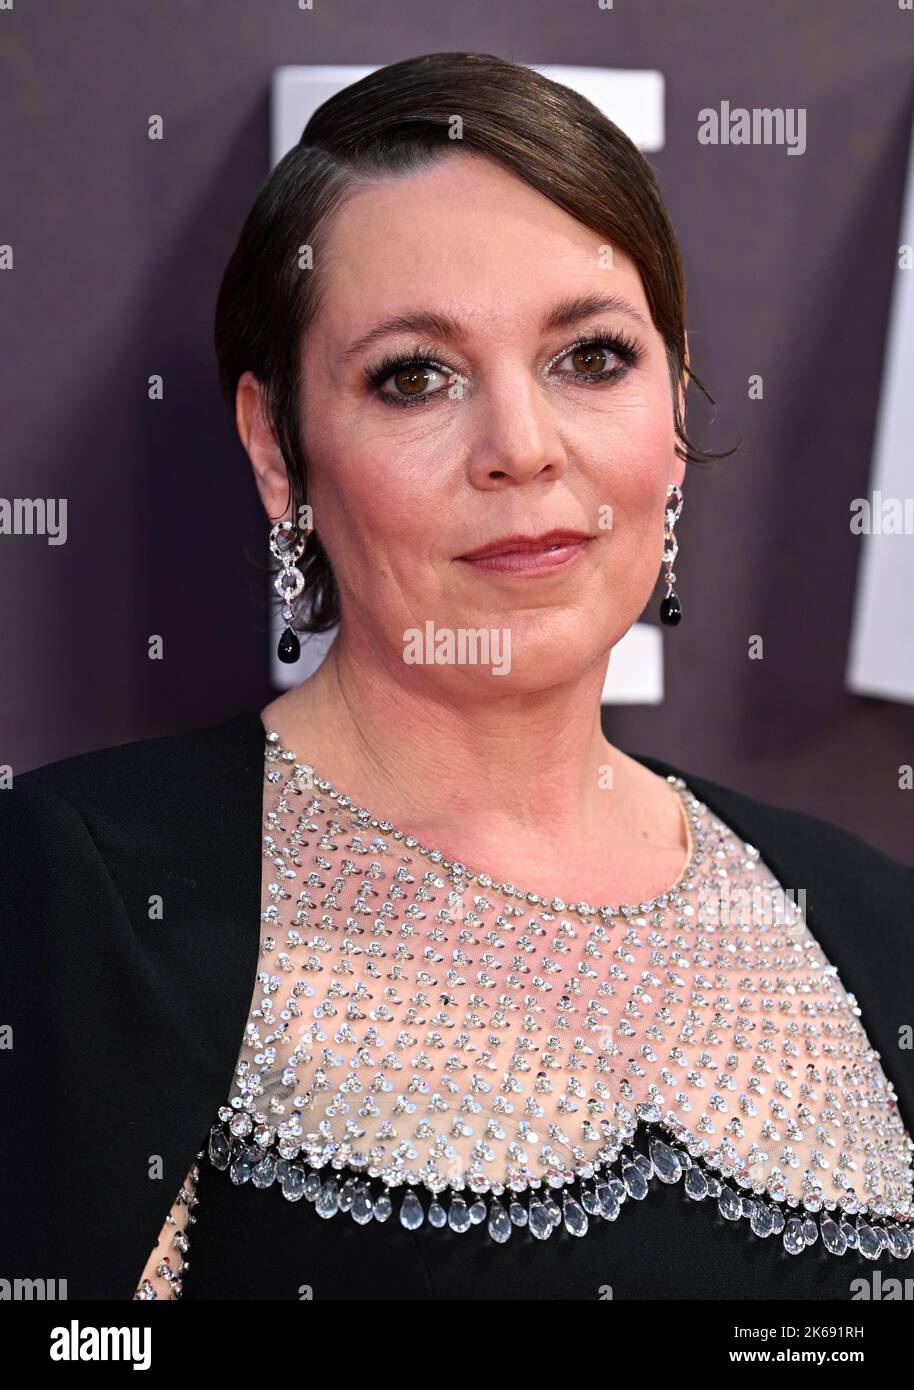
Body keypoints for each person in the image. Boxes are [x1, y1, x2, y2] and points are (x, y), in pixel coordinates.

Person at [2, 52, 911, 1302]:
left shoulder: (868, 921)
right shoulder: (83, 895)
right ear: (280, 450)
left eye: (590, 357)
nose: (521, 449)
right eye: (413, 375)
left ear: (673, 397)